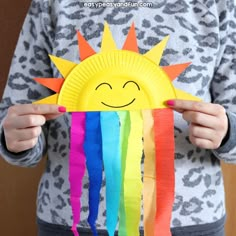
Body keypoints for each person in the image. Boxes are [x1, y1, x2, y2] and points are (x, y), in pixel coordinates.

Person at [0, 0, 236, 235]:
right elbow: (14, 117)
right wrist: (17, 142)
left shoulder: (217, 4)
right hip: (70, 221)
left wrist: (227, 133)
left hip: (191, 222)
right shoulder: (52, 4)